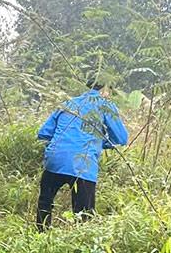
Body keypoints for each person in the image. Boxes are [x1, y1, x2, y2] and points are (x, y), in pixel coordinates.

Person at [36, 79, 129, 225]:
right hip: (83, 164)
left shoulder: (67, 103)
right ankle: (80, 243)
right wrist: (101, 143)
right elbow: (121, 138)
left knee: (45, 204)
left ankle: (40, 235)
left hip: (54, 159)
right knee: (84, 215)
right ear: (106, 89)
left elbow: (43, 133)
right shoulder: (105, 105)